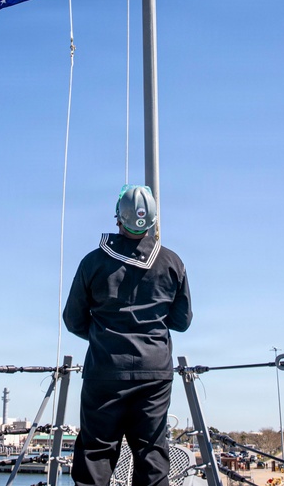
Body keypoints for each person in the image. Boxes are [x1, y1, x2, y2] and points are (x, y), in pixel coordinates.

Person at [63, 184, 193, 486]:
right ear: (154, 221)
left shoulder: (93, 262)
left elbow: (73, 320)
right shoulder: (172, 263)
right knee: (151, 454)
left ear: (117, 218)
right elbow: (182, 321)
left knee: (96, 453)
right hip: (155, 374)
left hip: (104, 370)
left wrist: (102, 337)